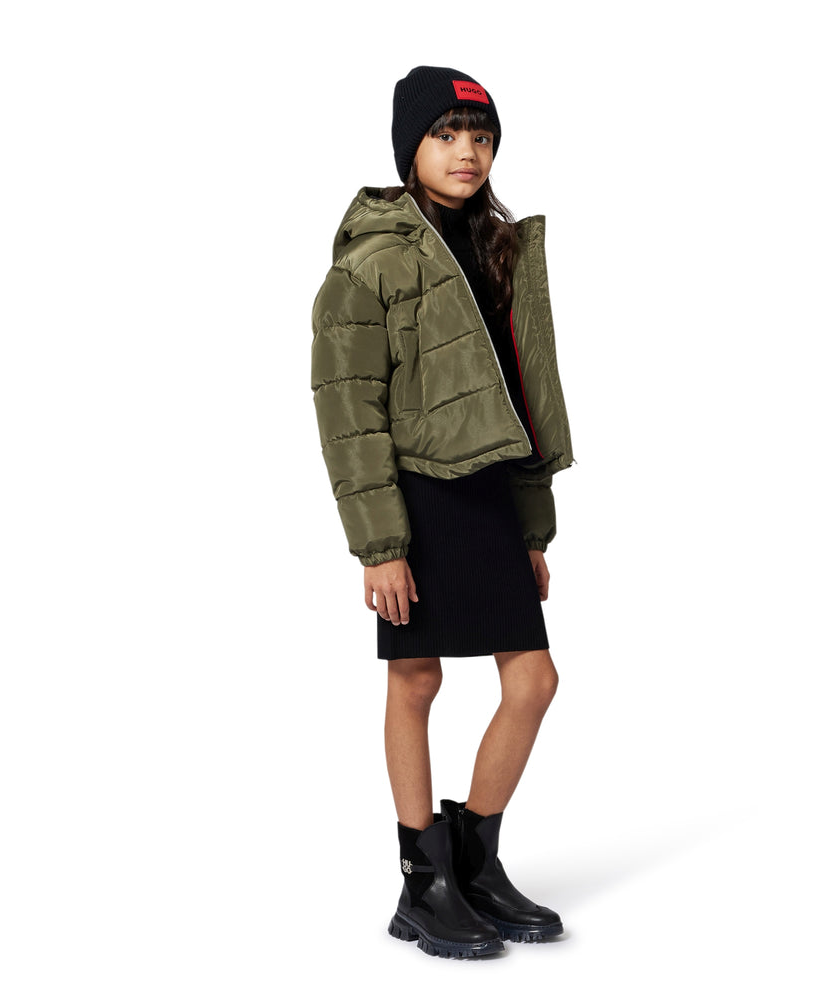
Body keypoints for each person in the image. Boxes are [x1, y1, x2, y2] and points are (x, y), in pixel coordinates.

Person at [311, 66, 575, 959]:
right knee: (417, 680)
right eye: (446, 134)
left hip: (491, 490)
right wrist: (378, 545)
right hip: (416, 495)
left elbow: (522, 398)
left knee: (532, 680)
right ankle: (423, 886)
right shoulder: (373, 259)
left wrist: (530, 527)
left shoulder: (501, 248)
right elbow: (348, 410)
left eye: (481, 136)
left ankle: (474, 861)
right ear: (410, 148)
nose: (467, 152)